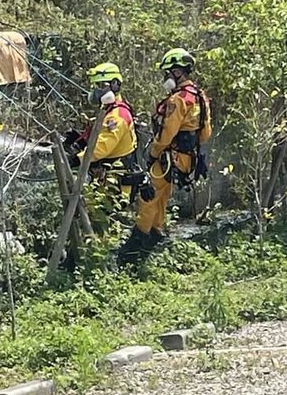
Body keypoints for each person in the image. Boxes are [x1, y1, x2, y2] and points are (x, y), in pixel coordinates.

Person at [118, 47, 212, 263]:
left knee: (148, 196)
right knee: (161, 197)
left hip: (169, 157)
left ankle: (135, 247)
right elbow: (206, 133)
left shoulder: (178, 100)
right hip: (188, 158)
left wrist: (153, 153)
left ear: (178, 72)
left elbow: (166, 133)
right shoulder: (199, 95)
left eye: (168, 73)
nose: (165, 77)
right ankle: (155, 234)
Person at [65, 63, 139, 197]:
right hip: (107, 175)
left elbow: (102, 147)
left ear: (115, 85)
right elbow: (101, 132)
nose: (97, 91)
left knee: (108, 215)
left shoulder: (117, 116)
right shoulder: (110, 110)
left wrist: (77, 159)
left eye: (100, 86)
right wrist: (81, 139)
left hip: (116, 182)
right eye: (95, 87)